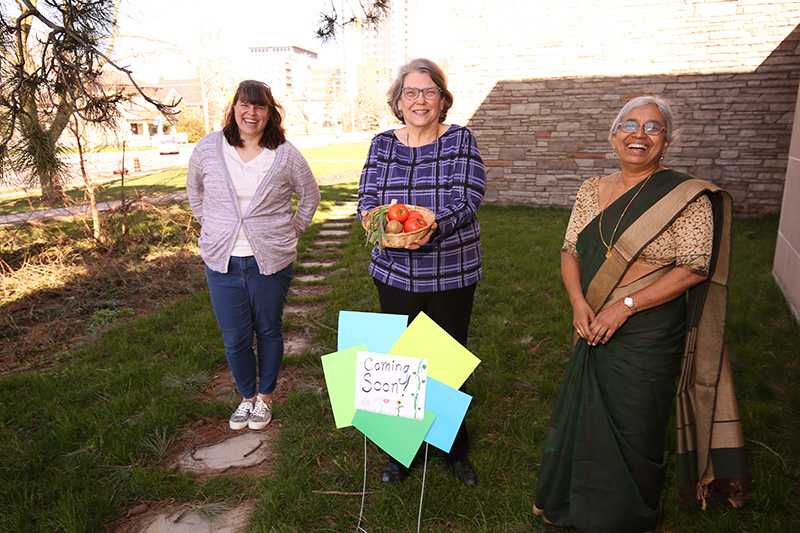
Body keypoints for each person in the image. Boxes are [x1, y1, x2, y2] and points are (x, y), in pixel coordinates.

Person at [533, 95, 750, 532]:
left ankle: (624, 517)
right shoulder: (591, 190)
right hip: (592, 316)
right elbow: (570, 251)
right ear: (614, 136)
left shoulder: (686, 196)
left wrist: (626, 305)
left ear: (665, 141)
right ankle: (567, 504)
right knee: (583, 414)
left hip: (648, 327)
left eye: (653, 127)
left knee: (637, 423)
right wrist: (579, 302)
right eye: (629, 124)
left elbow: (693, 267)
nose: (639, 134)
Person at [357, 58, 486, 486]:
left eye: (429, 91)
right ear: (397, 101)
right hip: (394, 272)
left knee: (447, 364)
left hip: (451, 270)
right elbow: (368, 196)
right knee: (401, 364)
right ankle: (401, 450)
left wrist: (431, 227)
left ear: (442, 99)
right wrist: (373, 220)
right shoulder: (382, 144)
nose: (420, 100)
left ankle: (453, 449)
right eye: (410, 92)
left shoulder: (461, 140)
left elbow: (467, 197)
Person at [187, 80, 320, 431]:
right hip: (222, 261)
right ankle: (246, 397)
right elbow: (194, 190)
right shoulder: (209, 148)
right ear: (234, 108)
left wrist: (290, 232)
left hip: (270, 261)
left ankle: (265, 398)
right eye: (245, 105)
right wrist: (214, 226)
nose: (251, 113)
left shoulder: (285, 154)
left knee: (269, 330)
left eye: (260, 107)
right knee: (235, 338)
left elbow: (310, 197)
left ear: (269, 113)